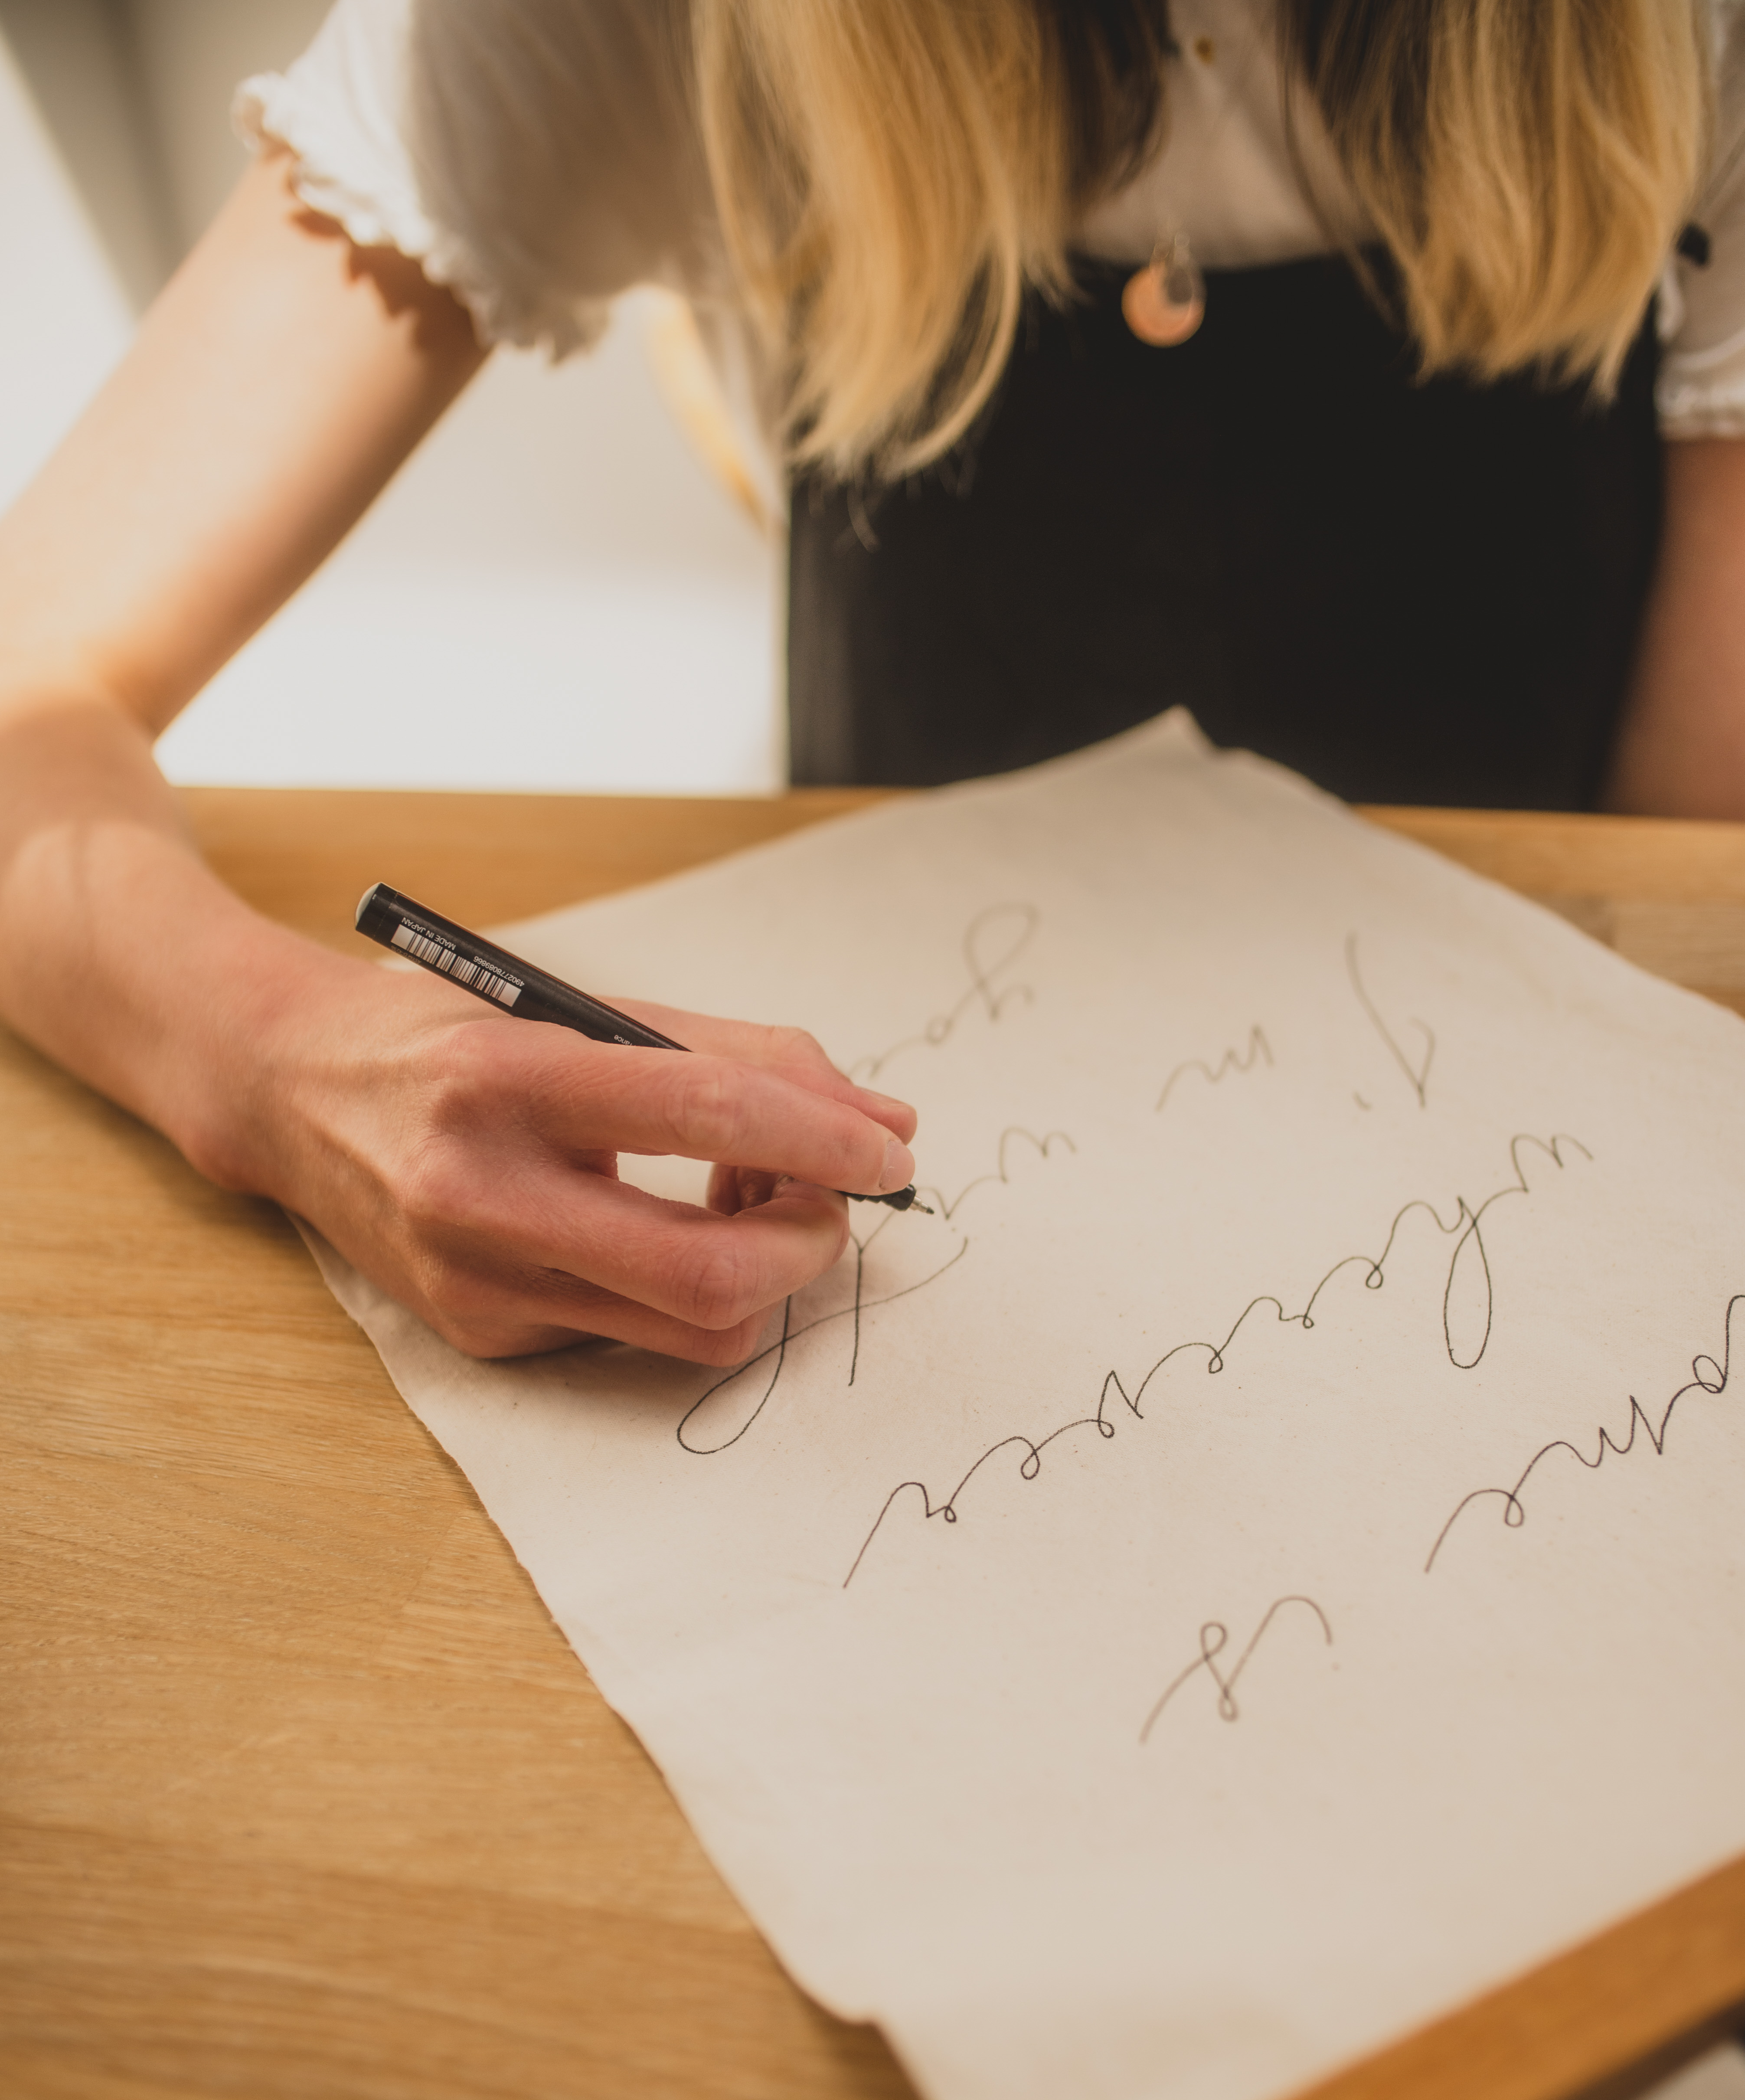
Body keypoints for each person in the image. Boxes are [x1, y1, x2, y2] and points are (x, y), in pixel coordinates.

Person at [2, 0, 1742, 1367]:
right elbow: (28, 694)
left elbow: (1693, 871)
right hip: (900, 1172)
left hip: (1505, 1174)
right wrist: (290, 1074)